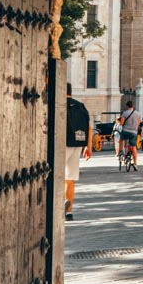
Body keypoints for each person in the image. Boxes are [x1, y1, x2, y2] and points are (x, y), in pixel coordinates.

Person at [66, 83, 92, 220]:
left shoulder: (58, 104)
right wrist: (88, 147)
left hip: (62, 145)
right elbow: (89, 128)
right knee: (70, 179)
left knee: (58, 177)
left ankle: (58, 204)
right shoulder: (80, 106)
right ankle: (69, 211)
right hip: (77, 144)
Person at [116, 100, 142, 170]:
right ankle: (135, 163)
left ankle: (121, 151)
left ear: (127, 106)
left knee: (121, 140)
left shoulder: (125, 113)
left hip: (125, 131)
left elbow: (121, 123)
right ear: (133, 106)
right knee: (133, 148)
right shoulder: (138, 114)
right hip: (134, 132)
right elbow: (138, 123)